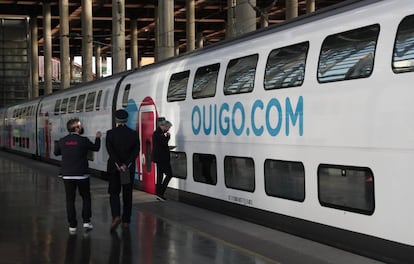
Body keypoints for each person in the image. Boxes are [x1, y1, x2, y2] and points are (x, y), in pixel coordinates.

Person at [54, 118, 101, 235]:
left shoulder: (62, 140)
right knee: (86, 197)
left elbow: (56, 152)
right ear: (76, 128)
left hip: (67, 175)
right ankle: (86, 221)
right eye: (80, 126)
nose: (81, 127)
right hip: (82, 175)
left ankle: (72, 226)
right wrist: (98, 137)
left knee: (70, 200)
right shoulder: (83, 140)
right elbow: (96, 148)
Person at [106, 109, 140, 231]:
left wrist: (118, 164)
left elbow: (110, 151)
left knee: (114, 193)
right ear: (126, 120)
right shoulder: (133, 134)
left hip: (115, 169)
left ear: (116, 120)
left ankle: (116, 216)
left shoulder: (110, 133)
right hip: (127, 170)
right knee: (127, 194)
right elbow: (136, 151)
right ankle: (126, 221)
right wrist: (126, 165)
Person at [152, 118, 173, 201]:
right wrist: (168, 137)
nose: (168, 129)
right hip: (162, 158)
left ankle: (159, 194)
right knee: (169, 174)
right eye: (168, 127)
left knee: (160, 176)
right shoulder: (158, 133)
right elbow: (163, 143)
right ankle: (161, 192)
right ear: (163, 126)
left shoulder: (158, 133)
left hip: (159, 158)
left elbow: (161, 145)